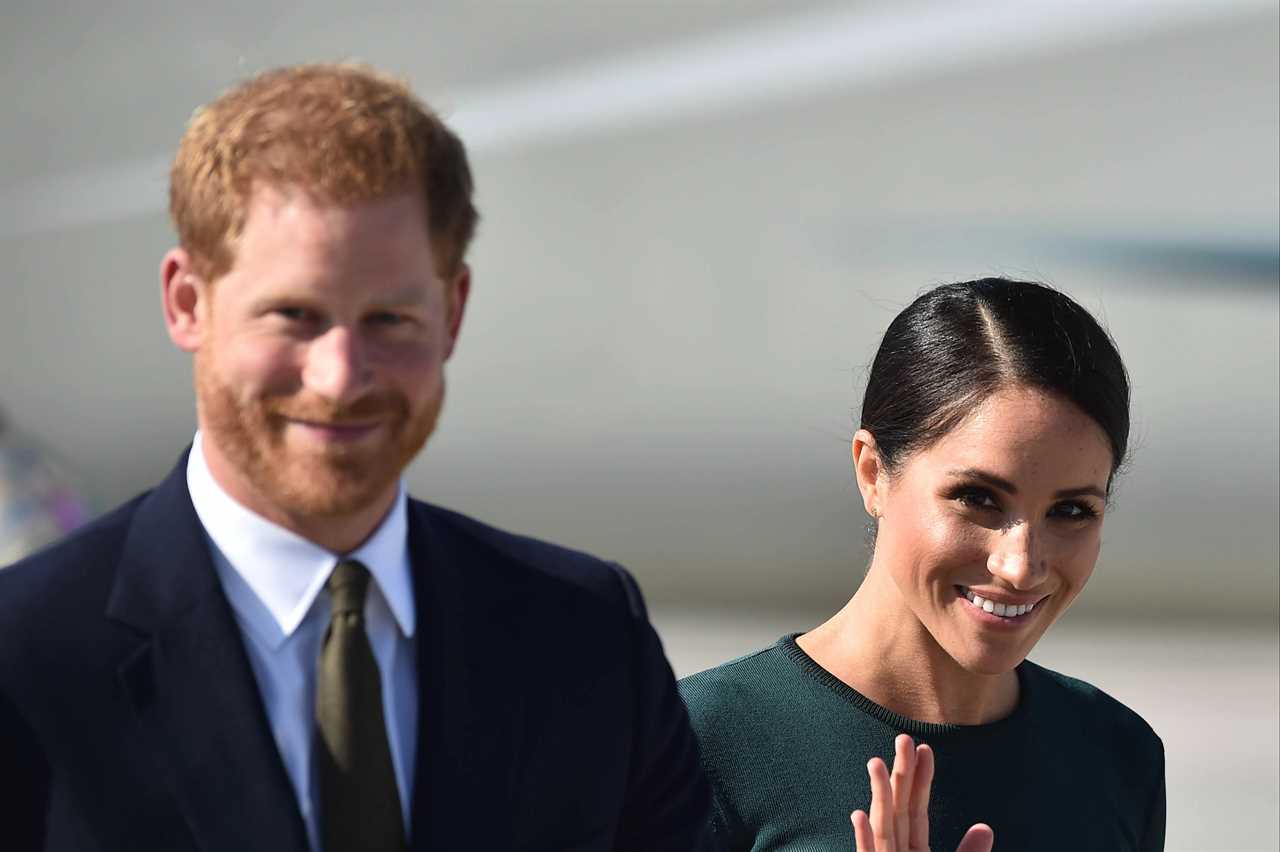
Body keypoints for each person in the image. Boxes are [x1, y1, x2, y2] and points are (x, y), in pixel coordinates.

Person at [0, 63, 711, 852]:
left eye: (389, 319)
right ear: (187, 302)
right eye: (294, 315)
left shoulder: (587, 640)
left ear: (454, 312)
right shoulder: (25, 662)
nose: (340, 379)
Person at [679, 278, 1166, 851]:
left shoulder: (1115, 753)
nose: (1020, 566)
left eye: (1072, 510)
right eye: (978, 498)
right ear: (872, 473)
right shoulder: (693, 746)